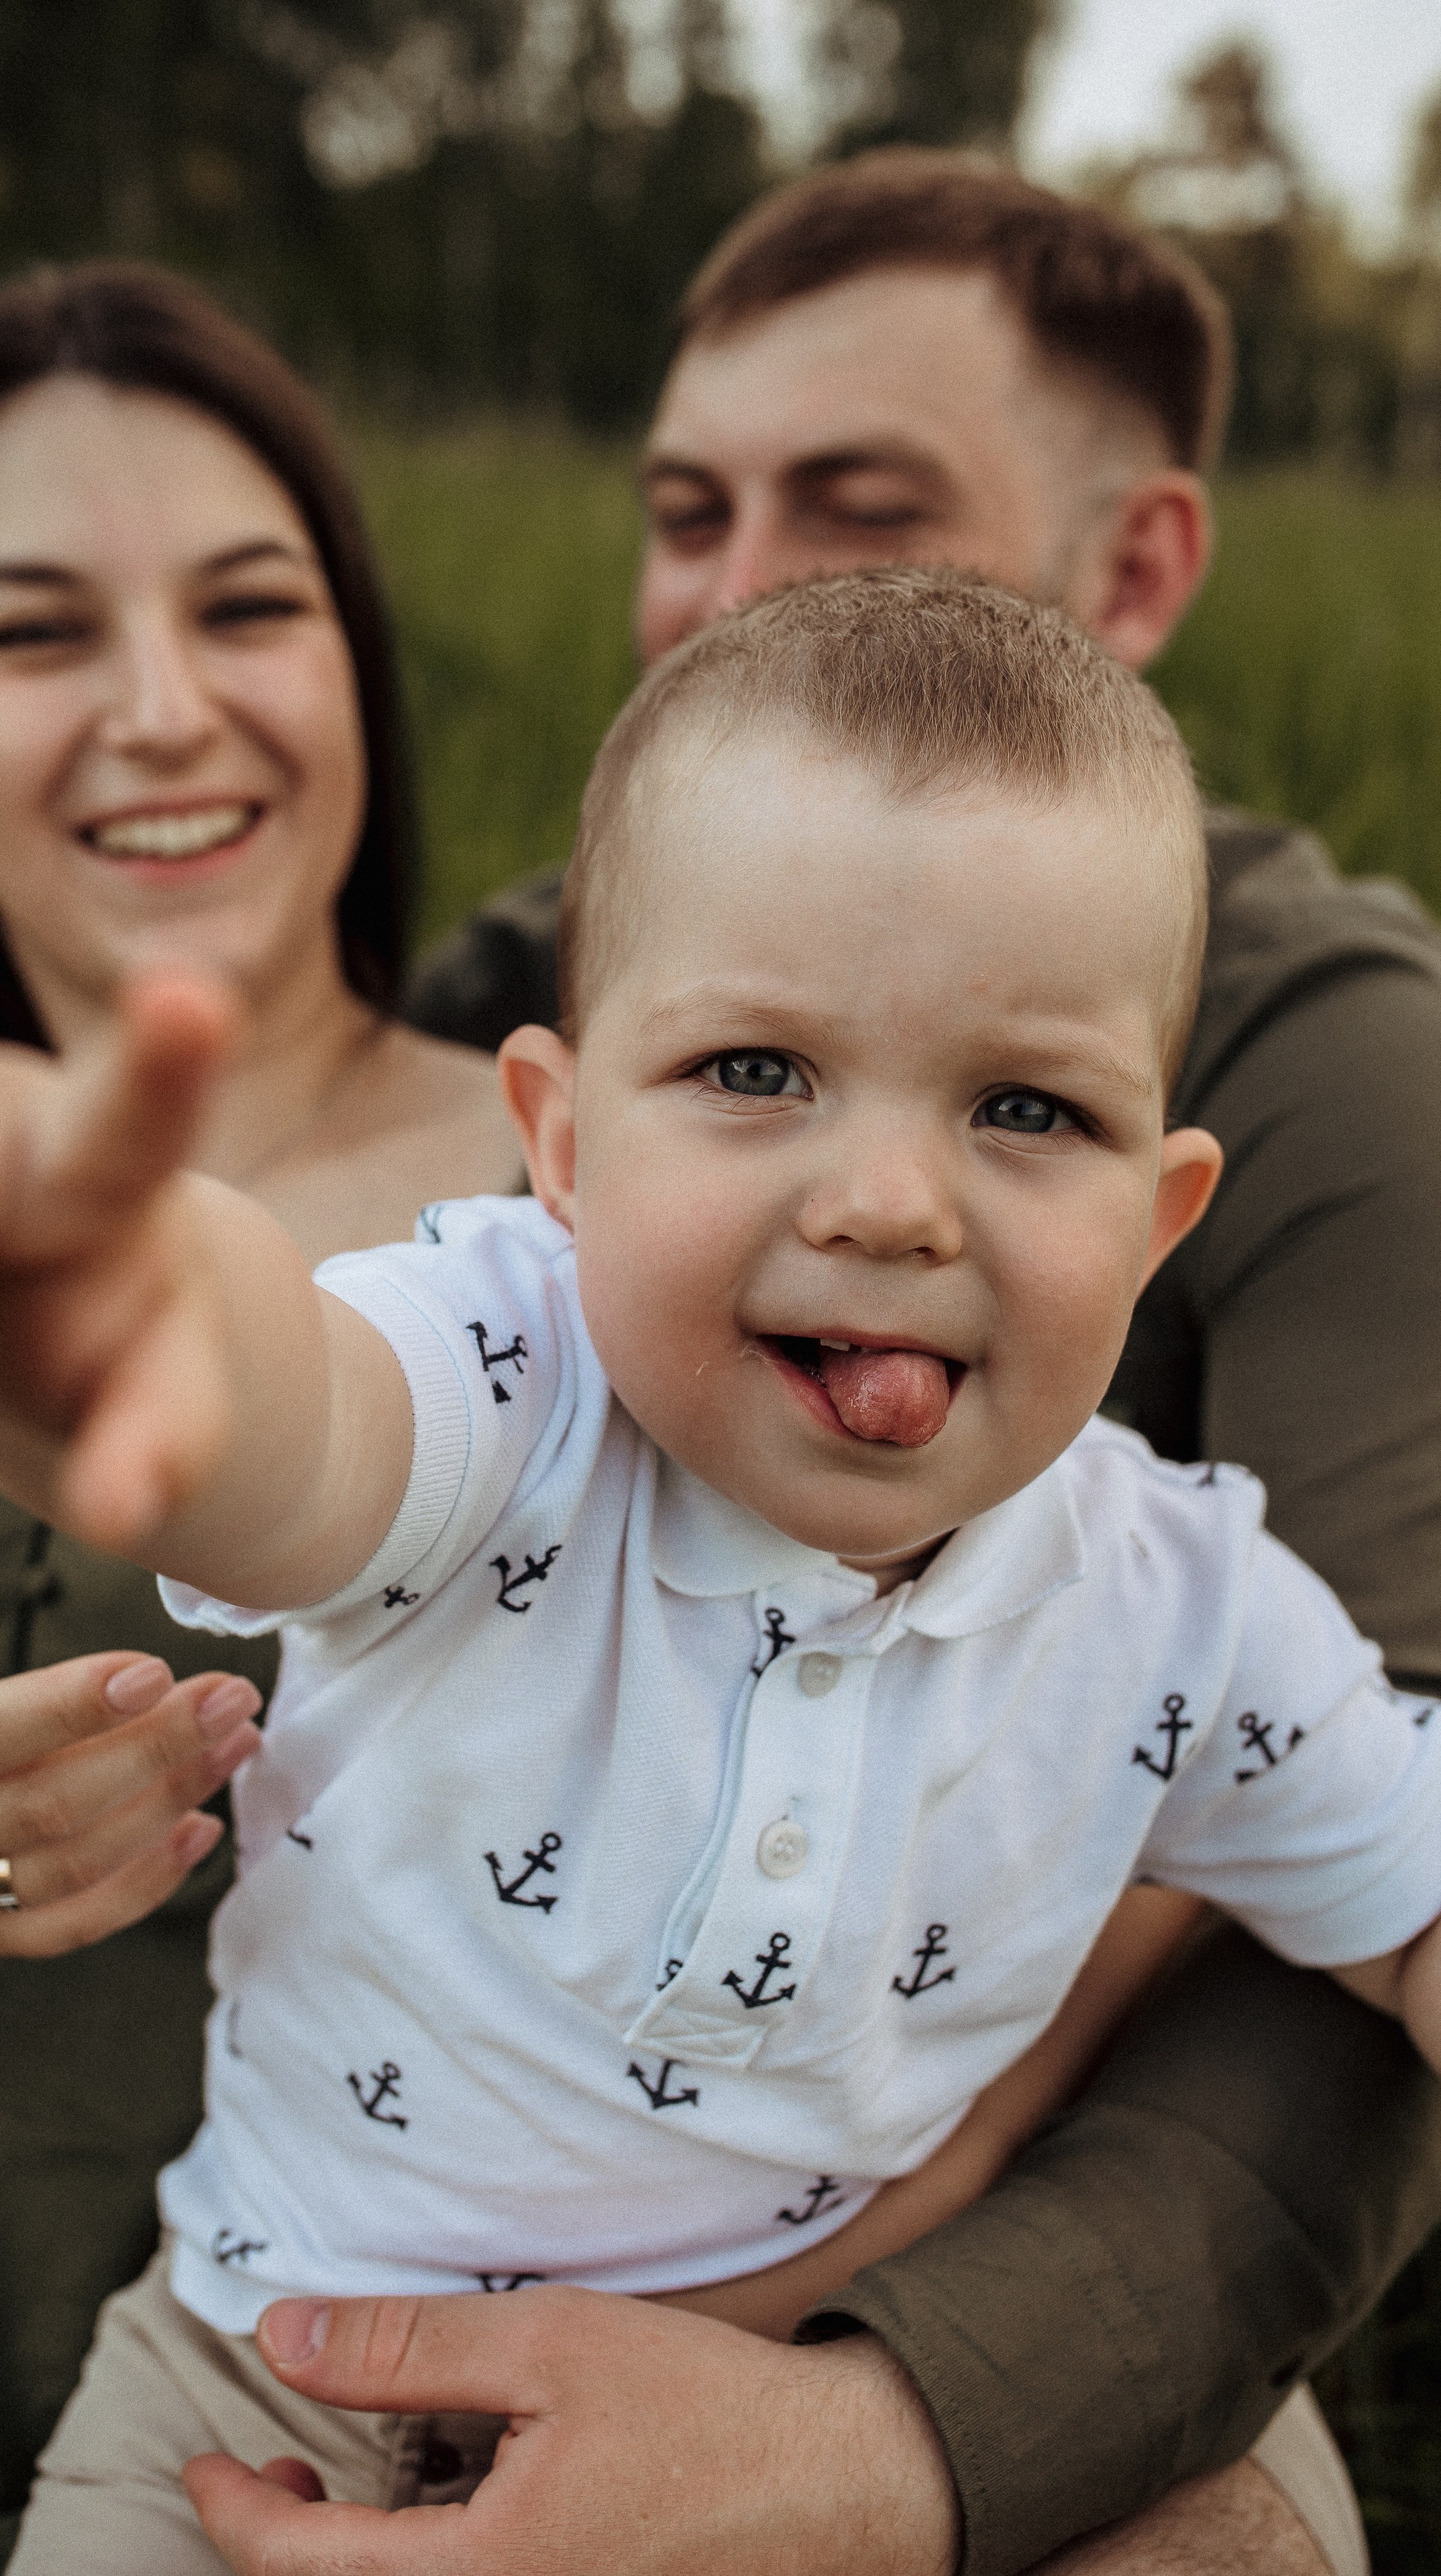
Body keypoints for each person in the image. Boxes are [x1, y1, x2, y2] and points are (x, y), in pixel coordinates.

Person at [0, 571, 1440, 2576]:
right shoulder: (508, 1380)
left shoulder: (1189, 1611)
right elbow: (286, 1408)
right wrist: (71, 1279)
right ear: (557, 1139)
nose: (891, 1200)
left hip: (774, 2402)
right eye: (756, 1071)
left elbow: (1409, 1903)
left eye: (1025, 1107)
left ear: (1160, 1221)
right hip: (264, 2391)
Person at [394, 148, 1441, 2576]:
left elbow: (1375, 1853)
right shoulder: (530, 974)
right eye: (688, 502)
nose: (733, 587)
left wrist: (896, 2428)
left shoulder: (1345, 1067)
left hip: (1022, 2265)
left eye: (856, 506)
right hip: (425, 2164)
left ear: (1139, 568)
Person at [0, 261, 517, 2570]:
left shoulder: (608, 1196)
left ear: (354, 656)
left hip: (344, 2501)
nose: (163, 712)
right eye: (38, 630)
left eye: (248, 607)